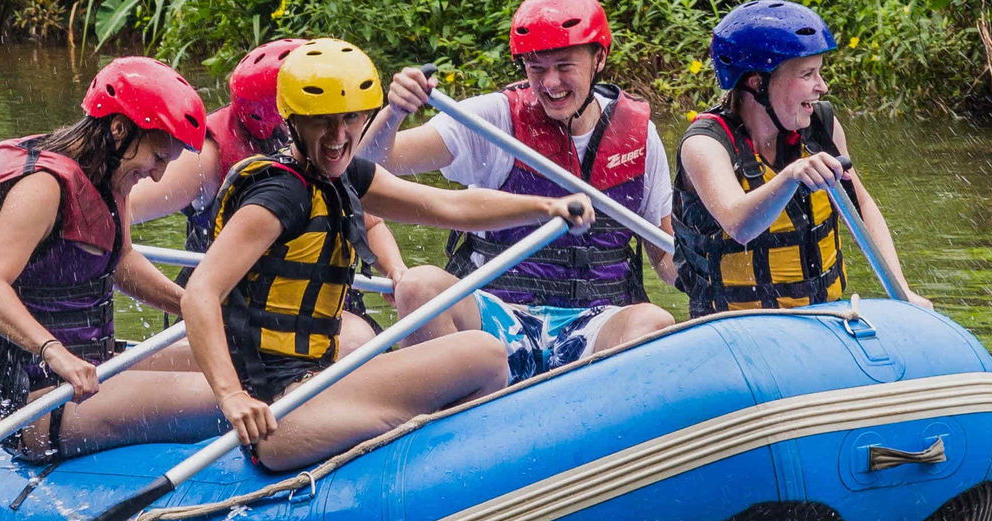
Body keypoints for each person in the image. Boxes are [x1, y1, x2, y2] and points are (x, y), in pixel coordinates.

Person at [184, 39, 592, 472]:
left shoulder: (343, 175)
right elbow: (200, 293)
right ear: (293, 120)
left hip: (314, 386)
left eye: (350, 118)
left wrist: (547, 207)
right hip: (281, 414)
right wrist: (232, 396)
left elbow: (449, 206)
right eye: (321, 121)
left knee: (472, 356)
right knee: (483, 354)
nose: (338, 137)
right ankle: (437, 473)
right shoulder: (280, 195)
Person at [356, 0, 676, 381]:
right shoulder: (494, 119)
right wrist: (394, 112)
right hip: (497, 319)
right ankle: (455, 404)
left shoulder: (639, 136)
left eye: (564, 66)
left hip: (597, 324)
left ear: (599, 58)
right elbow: (370, 165)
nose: (550, 83)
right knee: (417, 286)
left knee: (654, 321)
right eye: (536, 68)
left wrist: (711, 269)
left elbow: (665, 257)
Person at [0, 57, 226, 461]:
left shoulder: (110, 175)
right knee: (227, 394)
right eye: (157, 158)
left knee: (246, 361)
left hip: (96, 368)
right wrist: (54, 352)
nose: (158, 176)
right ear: (118, 129)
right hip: (40, 402)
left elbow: (121, 262)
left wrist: (193, 305)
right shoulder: (43, 186)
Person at [126, 37, 403, 351]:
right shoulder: (207, 157)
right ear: (289, 116)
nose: (337, 130)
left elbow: (370, 224)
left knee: (356, 338)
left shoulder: (330, 156)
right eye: (321, 115)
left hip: (322, 305)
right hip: (237, 312)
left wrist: (395, 270)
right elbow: (123, 208)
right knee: (351, 340)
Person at [672, 0, 929, 317]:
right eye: (807, 74)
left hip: (824, 316)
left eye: (819, 72)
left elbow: (861, 206)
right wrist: (791, 176)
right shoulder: (705, 145)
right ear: (758, 83)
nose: (822, 87)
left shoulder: (821, 127)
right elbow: (739, 225)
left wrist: (902, 291)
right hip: (733, 324)